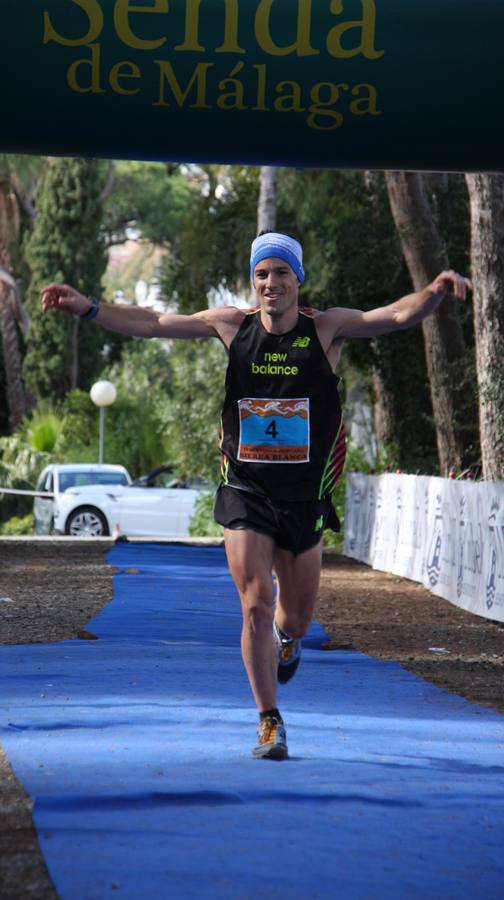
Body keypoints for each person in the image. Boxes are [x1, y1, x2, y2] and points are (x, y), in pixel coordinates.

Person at [41, 231, 471, 761]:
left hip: (304, 498)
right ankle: (269, 720)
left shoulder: (326, 329)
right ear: (253, 281)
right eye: (261, 274)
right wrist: (88, 307)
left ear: (297, 279)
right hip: (246, 489)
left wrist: (433, 291)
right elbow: (153, 323)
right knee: (255, 606)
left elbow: (396, 315)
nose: (271, 283)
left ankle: (288, 642)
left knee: (296, 619)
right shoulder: (231, 325)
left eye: (281, 273)